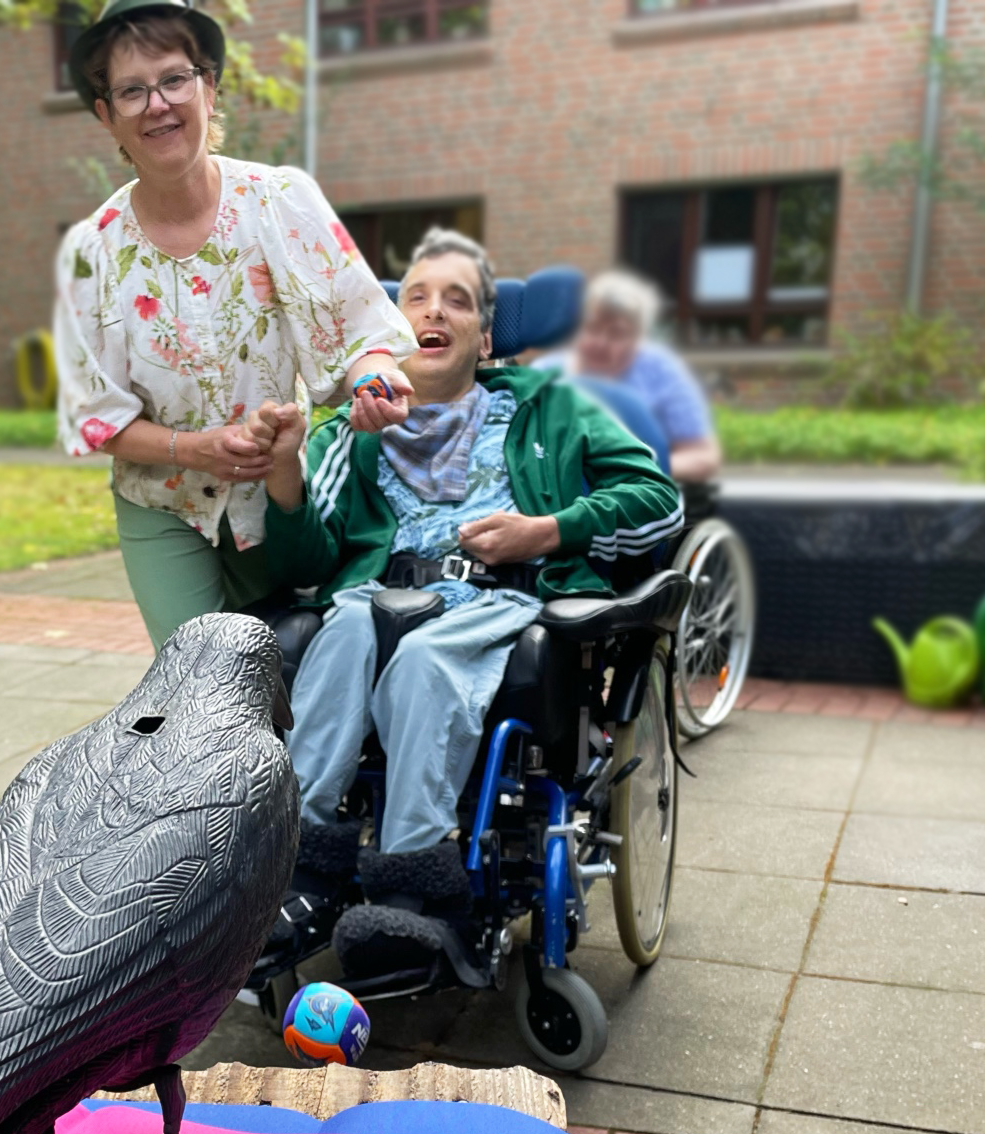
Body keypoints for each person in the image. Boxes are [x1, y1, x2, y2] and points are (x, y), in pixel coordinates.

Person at [245, 230, 682, 980]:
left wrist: (546, 531)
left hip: (494, 597)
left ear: (485, 339)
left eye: (458, 300)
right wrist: (287, 468)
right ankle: (298, 870)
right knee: (343, 629)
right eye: (414, 297)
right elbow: (306, 563)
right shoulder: (350, 436)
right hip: (377, 595)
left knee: (423, 660)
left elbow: (658, 503)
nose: (432, 310)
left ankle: (419, 891)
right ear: (386, 334)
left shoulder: (553, 407)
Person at [54, 0, 416, 650]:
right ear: (106, 114)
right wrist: (196, 449)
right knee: (198, 687)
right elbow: (96, 418)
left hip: (277, 502)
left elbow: (364, 332)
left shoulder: (281, 201)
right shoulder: (91, 251)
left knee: (292, 678)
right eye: (131, 90)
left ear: (209, 85)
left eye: (174, 79)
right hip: (162, 505)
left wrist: (375, 383)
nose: (157, 104)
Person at [533, 270, 722, 483]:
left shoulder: (661, 371)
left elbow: (703, 456)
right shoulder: (544, 372)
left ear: (637, 339)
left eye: (617, 333)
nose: (600, 343)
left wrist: (637, 468)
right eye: (592, 328)